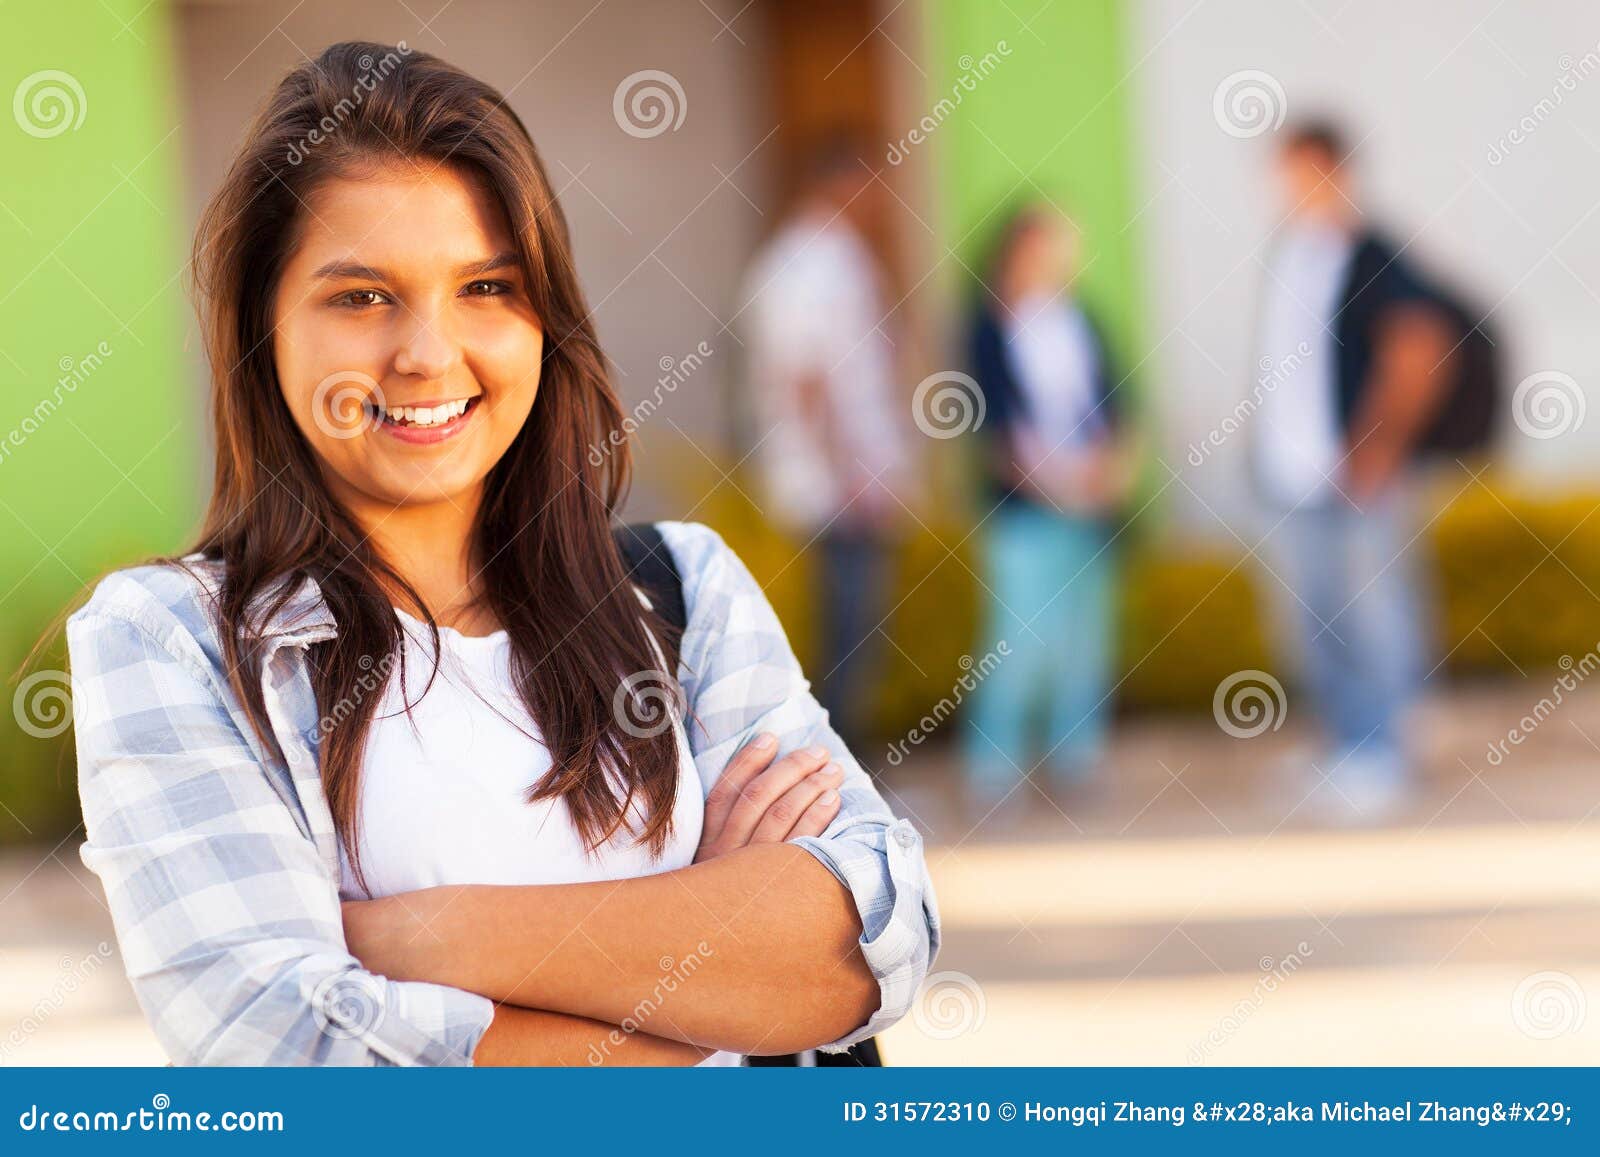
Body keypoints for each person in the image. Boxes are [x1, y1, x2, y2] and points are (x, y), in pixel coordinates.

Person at [65, 42, 938, 1066]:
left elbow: (878, 939)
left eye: (485, 285)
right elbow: (290, 1047)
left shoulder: (679, 591)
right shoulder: (172, 640)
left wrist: (419, 936)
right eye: (360, 296)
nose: (429, 354)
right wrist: (705, 985)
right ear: (263, 326)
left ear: (545, 318)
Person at [1250, 120, 1457, 822]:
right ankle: (1344, 742)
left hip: (1357, 478)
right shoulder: (1289, 253)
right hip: (1293, 477)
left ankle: (1382, 752)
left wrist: (1376, 448)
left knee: (1374, 614)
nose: (1286, 188)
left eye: (1300, 173)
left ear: (1335, 171)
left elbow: (1422, 346)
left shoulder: (1374, 252)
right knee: (1315, 618)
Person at [737, 135, 915, 751]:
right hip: (837, 485)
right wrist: (852, 472)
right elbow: (808, 380)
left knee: (857, 628)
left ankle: (846, 763)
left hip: (848, 478)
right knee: (846, 629)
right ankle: (836, 767)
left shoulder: (833, 258)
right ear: (843, 185)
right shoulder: (806, 264)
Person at [960, 204, 1135, 814]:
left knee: (1085, 641)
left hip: (1090, 507)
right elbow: (988, 426)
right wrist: (1046, 480)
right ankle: (994, 770)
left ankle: (1074, 762)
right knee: (1018, 640)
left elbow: (1117, 403)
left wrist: (1108, 473)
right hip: (1024, 509)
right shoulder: (986, 326)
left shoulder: (1081, 318)